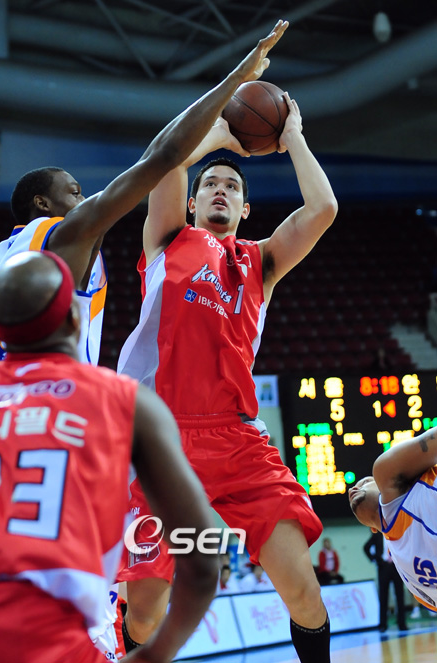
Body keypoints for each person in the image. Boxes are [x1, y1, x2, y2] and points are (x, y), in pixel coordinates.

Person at [115, 29, 338, 662]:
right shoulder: (168, 239)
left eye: (232, 188)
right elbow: (164, 158)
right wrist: (217, 138)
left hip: (238, 441)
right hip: (162, 440)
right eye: (210, 183)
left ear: (244, 209)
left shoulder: (260, 261)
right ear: (192, 202)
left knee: (304, 592)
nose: (220, 189)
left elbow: (322, 208)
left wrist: (292, 135)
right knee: (146, 607)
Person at [0, 16, 288, 372]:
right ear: (42, 203)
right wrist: (236, 79)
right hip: (48, 395)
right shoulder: (67, 233)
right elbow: (162, 156)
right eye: (74, 193)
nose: (82, 201)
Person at [0, 250, 219, 663]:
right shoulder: (124, 401)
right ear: (75, 319)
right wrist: (153, 656)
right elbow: (203, 559)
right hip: (56, 644)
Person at [349, 425, 437, 617]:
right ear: (372, 529)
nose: (352, 490)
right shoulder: (412, 581)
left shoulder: (386, 473)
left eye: (364, 483)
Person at [363, 531, 407, 632]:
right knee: (383, 596)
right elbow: (366, 547)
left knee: (400, 595)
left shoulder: (395, 533)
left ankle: (402, 623)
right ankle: (383, 624)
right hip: (383, 567)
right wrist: (375, 559)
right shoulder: (377, 535)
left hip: (396, 567)